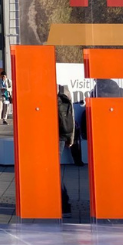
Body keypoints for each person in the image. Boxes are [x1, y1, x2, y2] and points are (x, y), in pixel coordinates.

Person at [57, 84, 74, 215]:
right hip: (62, 137)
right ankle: (63, 204)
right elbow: (71, 117)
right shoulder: (64, 92)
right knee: (54, 170)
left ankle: (64, 204)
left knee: (52, 171)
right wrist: (71, 138)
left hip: (52, 137)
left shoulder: (46, 94)